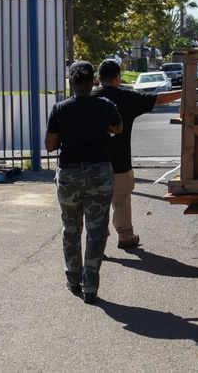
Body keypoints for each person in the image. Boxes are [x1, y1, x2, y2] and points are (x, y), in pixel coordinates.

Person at [45, 60, 122, 304]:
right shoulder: (105, 105)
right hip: (99, 172)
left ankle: (73, 279)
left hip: (69, 174)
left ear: (71, 82)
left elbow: (50, 146)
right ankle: (91, 286)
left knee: (71, 228)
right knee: (96, 231)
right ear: (93, 82)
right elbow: (118, 128)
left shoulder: (60, 109)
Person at [94, 59, 182, 249]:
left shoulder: (88, 98)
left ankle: (98, 242)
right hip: (120, 163)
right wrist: (185, 91)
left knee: (96, 205)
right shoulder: (127, 97)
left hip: (92, 164)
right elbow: (158, 99)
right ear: (118, 77)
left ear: (98, 78)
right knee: (121, 201)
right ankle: (125, 236)